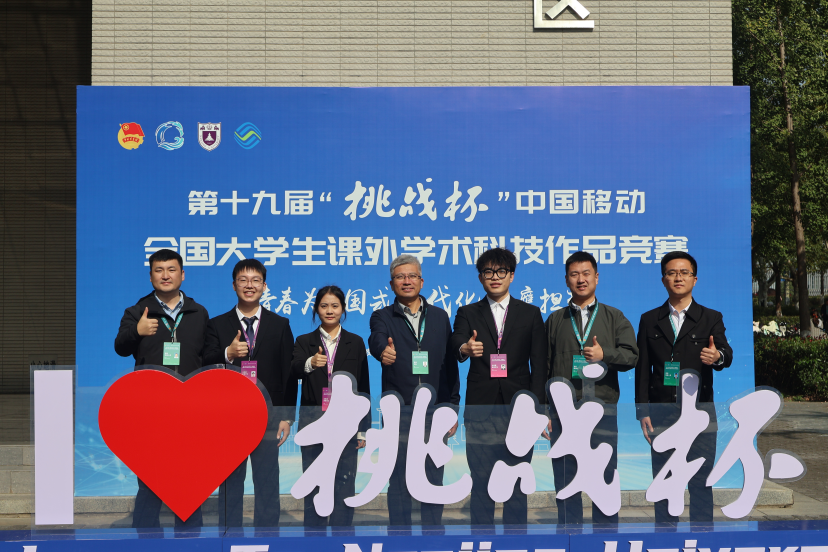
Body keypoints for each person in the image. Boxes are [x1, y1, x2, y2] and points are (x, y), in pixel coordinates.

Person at [450, 247, 547, 526]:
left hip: (520, 412)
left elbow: (539, 364)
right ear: (480, 277)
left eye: (501, 271)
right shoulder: (468, 312)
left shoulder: (530, 313)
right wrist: (465, 348)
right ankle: (482, 541)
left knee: (516, 482)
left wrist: (538, 410)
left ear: (512, 276)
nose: (495, 277)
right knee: (481, 482)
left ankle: (515, 542)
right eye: (488, 272)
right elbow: (456, 340)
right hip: (481, 411)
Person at [114, 248, 209, 529]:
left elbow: (207, 356)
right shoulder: (137, 311)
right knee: (150, 478)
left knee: (189, 479)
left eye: (171, 270)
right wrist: (137, 331)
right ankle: (145, 539)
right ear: (150, 276)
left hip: (190, 409)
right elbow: (120, 347)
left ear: (182, 274)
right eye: (159, 270)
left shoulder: (198, 312)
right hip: (150, 408)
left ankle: (190, 539)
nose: (165, 275)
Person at [635, 251, 732, 524]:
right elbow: (642, 369)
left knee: (701, 479)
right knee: (664, 478)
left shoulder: (710, 317)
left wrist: (717, 356)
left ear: (694, 279)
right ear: (663, 280)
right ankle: (665, 537)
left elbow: (726, 354)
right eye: (671, 273)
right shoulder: (649, 319)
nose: (678, 277)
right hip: (662, 412)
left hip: (700, 413)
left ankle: (702, 536)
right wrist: (643, 411)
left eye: (684, 272)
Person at [545, 251, 638, 526]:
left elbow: (631, 356)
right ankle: (568, 533)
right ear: (566, 280)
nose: (581, 279)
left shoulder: (614, 317)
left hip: (601, 411)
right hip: (563, 412)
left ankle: (605, 536)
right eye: (574, 274)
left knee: (604, 473)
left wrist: (604, 354)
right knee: (565, 475)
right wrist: (545, 410)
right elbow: (544, 367)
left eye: (586, 274)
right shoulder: (555, 320)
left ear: (596, 277)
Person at [368, 254, 460, 527]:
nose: (406, 281)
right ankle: (399, 536)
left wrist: (452, 407)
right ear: (391, 284)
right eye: (400, 277)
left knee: (433, 475)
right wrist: (382, 351)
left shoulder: (440, 316)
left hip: (434, 412)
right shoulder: (382, 316)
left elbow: (449, 365)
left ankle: (433, 535)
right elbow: (376, 338)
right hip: (400, 412)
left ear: (421, 281)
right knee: (399, 477)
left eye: (412, 276)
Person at [203, 259, 296, 528]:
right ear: (234, 285)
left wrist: (286, 417)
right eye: (243, 280)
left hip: (268, 415)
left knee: (267, 479)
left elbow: (288, 373)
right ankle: (230, 534)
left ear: (264, 286)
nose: (249, 285)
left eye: (255, 280)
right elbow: (205, 362)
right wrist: (227, 354)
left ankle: (268, 535)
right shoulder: (217, 324)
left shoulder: (280, 324)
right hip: (229, 415)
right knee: (230, 480)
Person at [291, 286, 371, 528]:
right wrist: (310, 362)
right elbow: (293, 370)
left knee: (344, 482)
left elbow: (364, 386)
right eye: (324, 306)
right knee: (314, 481)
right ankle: (314, 537)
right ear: (316, 309)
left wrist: (363, 429)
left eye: (335, 306)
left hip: (346, 425)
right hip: (313, 421)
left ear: (343, 309)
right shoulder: (304, 341)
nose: (329, 311)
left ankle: (342, 534)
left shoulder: (355, 342)